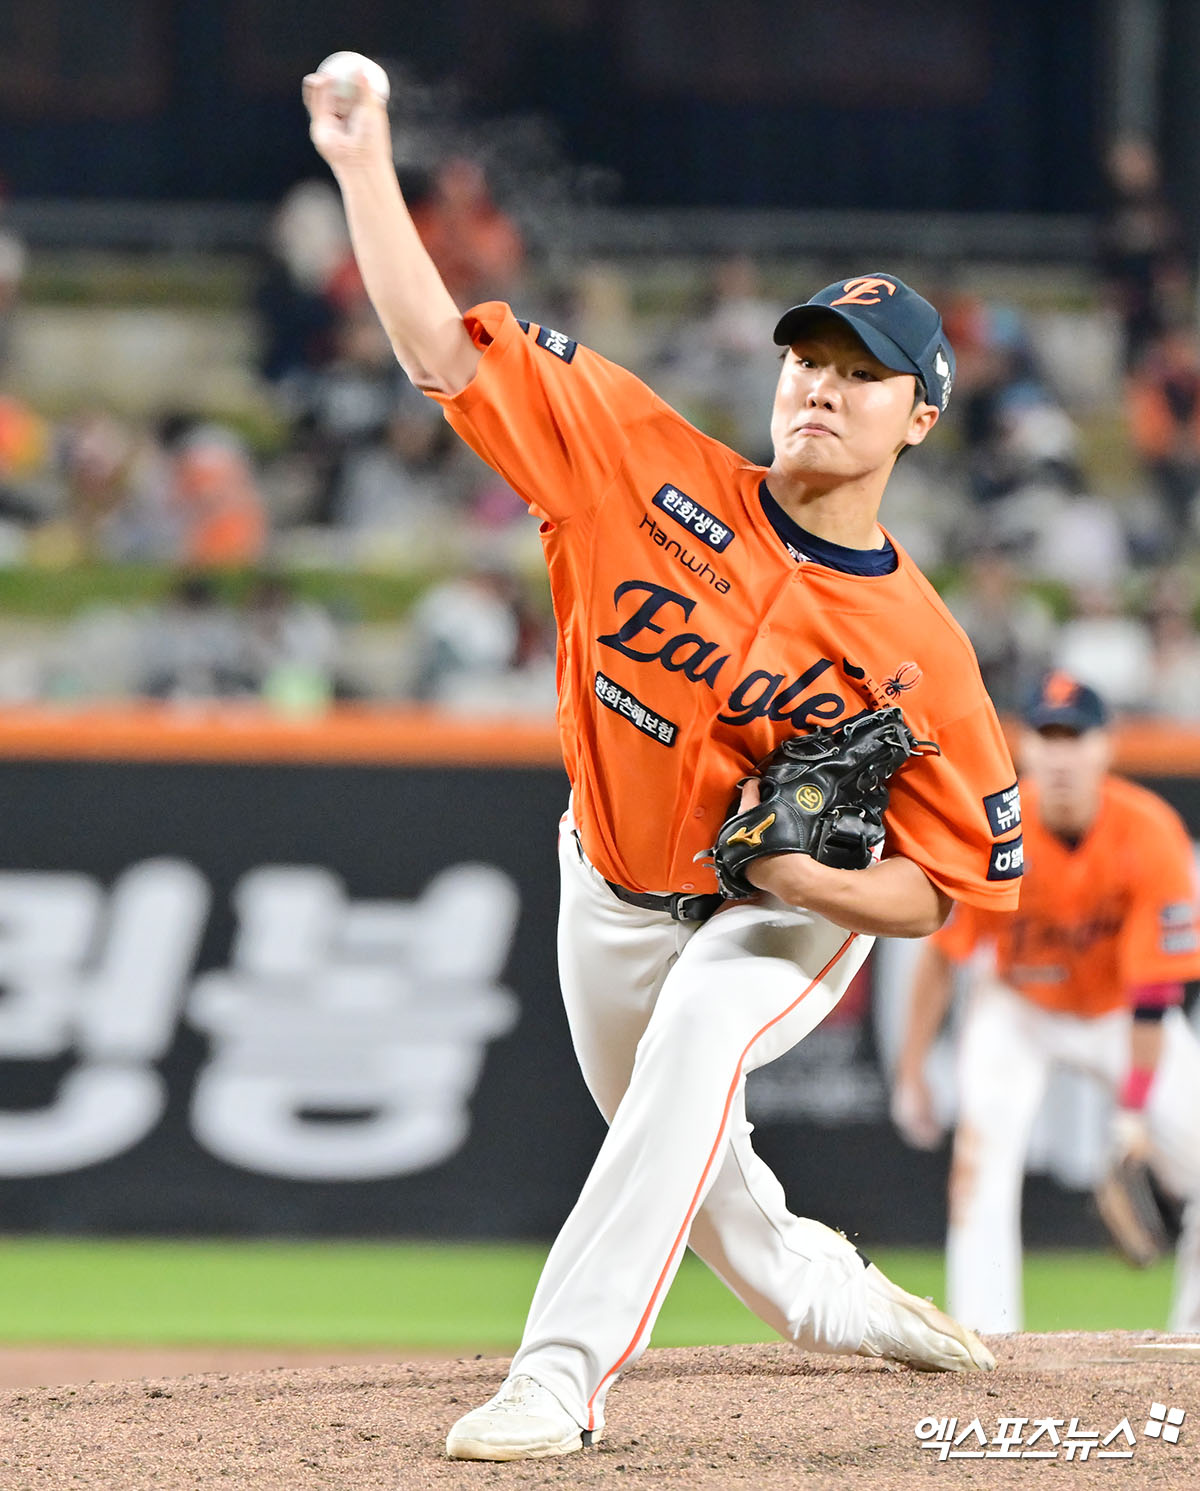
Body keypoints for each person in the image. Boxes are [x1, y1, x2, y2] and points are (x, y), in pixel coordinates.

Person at [304, 63, 1022, 1462]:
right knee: (684, 1153)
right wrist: (364, 164)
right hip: (608, 879)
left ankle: (556, 1378)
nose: (822, 390)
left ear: (920, 417)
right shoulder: (637, 463)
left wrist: (809, 882)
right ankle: (819, 1289)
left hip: (776, 913)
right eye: (809, 361)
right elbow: (441, 351)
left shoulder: (924, 653)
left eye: (863, 376)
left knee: (700, 1033)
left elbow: (946, 888)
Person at [892, 672, 1200, 1334]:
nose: (1061, 755)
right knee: (981, 1168)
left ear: (1106, 746)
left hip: (1120, 1014)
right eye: (1047, 736)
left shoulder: (1149, 831)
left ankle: (1192, 1343)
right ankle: (987, 1340)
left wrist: (1134, 1110)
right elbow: (942, 957)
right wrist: (912, 1068)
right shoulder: (994, 830)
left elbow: (1153, 994)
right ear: (1024, 747)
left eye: (1075, 737)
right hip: (1019, 1008)